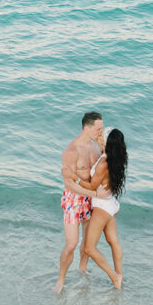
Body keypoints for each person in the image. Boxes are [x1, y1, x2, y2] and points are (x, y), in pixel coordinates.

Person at [56, 111, 106, 294]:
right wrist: (95, 194)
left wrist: (103, 144)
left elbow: (107, 162)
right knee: (71, 244)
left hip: (91, 200)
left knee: (87, 242)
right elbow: (69, 184)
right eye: (98, 129)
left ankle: (82, 270)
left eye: (101, 129)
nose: (101, 132)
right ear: (87, 127)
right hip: (74, 200)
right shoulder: (71, 151)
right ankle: (61, 280)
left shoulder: (96, 146)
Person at [79, 128, 127, 289]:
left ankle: (114, 277)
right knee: (113, 240)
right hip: (111, 203)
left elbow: (92, 186)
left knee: (89, 248)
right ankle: (119, 277)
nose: (100, 136)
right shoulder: (114, 158)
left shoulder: (103, 163)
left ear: (107, 143)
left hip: (102, 207)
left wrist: (74, 179)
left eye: (102, 135)